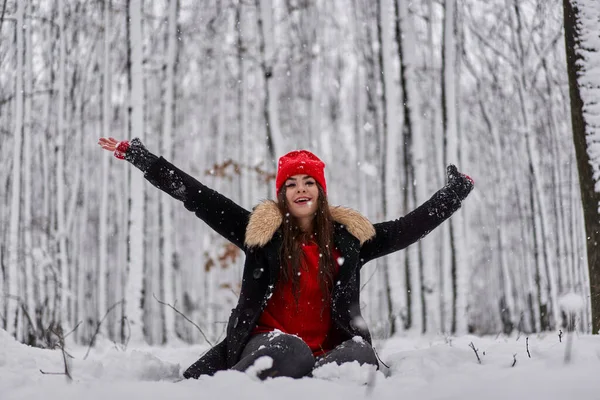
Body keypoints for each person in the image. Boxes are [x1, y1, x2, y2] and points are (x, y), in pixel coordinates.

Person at [98, 136, 474, 380]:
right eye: (291, 184)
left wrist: (454, 194)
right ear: (282, 195)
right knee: (290, 348)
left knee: (360, 351)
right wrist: (144, 159)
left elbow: (407, 228)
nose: (300, 189)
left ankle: (315, 382)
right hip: (267, 344)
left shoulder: (350, 239)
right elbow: (199, 197)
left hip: (328, 357)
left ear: (320, 191)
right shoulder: (261, 233)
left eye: (308, 182)